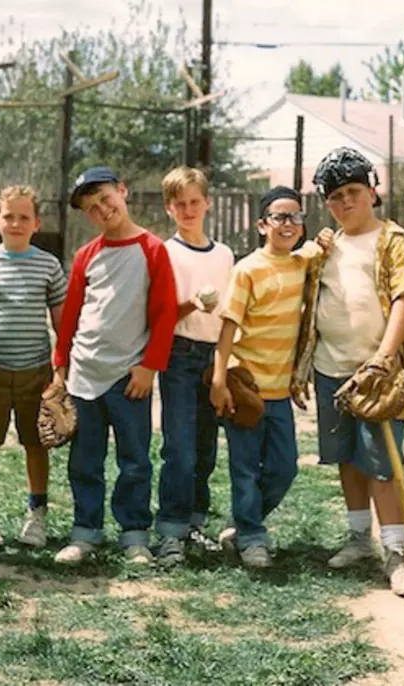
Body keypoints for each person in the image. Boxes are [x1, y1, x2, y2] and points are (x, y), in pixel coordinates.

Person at [292, 147, 404, 597]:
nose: (345, 202)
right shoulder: (326, 248)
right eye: (334, 197)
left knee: (381, 465)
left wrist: (385, 357)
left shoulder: (392, 240)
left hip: (378, 372)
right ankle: (358, 539)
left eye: (353, 191)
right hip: (331, 369)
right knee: (346, 458)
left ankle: (395, 553)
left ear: (372, 192)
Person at [53, 167, 178, 565]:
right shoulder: (85, 256)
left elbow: (164, 314)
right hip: (85, 374)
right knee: (85, 460)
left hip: (129, 377)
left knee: (135, 460)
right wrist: (61, 366)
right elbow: (70, 316)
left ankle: (134, 533)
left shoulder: (152, 249)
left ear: (123, 192)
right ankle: (85, 532)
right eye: (91, 208)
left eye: (106, 199)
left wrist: (149, 367)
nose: (102, 210)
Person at [211, 186, 330, 569]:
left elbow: (322, 245)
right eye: (279, 217)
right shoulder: (247, 270)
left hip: (281, 393)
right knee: (245, 468)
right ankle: (251, 539)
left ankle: (242, 523)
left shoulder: (302, 262)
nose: (288, 224)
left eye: (295, 216)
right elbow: (228, 327)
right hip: (247, 389)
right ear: (262, 225)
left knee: (284, 467)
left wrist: (325, 239)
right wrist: (218, 380)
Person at [0, 186, 68, 550]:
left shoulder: (48, 265)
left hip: (35, 373)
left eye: (24, 217)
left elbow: (61, 323)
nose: (15, 223)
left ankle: (36, 517)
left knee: (36, 444)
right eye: (8, 216)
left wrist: (60, 372)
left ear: (37, 223)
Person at [155, 166, 234, 565]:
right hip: (179, 355)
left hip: (213, 355)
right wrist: (192, 304)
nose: (188, 210)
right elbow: (159, 315)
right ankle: (169, 530)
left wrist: (223, 366)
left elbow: (230, 316)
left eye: (194, 202)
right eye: (179, 204)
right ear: (169, 208)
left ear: (207, 203)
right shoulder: (165, 252)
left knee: (206, 449)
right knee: (180, 449)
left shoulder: (224, 255)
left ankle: (194, 523)